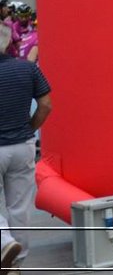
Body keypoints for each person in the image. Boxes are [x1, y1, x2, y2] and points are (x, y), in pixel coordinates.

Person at [0, 26, 48, 270]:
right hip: (22, 144)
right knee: (19, 208)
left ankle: (3, 243)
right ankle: (16, 264)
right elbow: (46, 104)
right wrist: (29, 128)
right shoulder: (27, 69)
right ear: (11, 44)